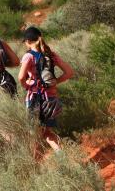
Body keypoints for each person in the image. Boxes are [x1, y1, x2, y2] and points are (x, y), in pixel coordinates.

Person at [18, 26, 74, 155]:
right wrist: (54, 83)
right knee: (47, 133)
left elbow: (21, 77)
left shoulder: (28, 56)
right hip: (52, 98)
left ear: (27, 41)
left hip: (35, 98)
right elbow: (69, 72)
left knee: (33, 133)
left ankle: (34, 163)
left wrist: (27, 86)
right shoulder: (51, 54)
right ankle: (62, 156)